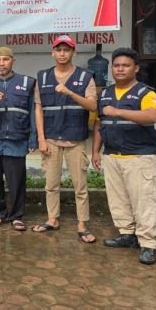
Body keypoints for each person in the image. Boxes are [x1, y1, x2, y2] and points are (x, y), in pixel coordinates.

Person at [91, 47, 156, 265]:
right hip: (113, 156)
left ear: (136, 68)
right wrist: (96, 150)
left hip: (138, 157)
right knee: (118, 200)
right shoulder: (105, 93)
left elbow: (152, 116)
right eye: (117, 65)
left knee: (144, 202)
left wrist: (119, 111)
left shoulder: (145, 93)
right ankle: (127, 234)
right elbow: (99, 123)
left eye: (126, 65)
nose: (120, 69)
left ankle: (148, 244)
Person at [32, 35, 98, 243]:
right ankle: (52, 219)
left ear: (73, 53)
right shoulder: (42, 77)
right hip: (51, 138)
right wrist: (41, 139)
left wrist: (70, 92)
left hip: (75, 139)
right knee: (51, 184)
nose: (62, 54)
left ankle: (82, 224)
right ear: (52, 53)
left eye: (66, 50)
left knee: (80, 186)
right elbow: (39, 109)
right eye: (58, 50)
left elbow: (92, 106)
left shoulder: (86, 77)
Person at [0, 46, 36, 231]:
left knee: (16, 181)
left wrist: (33, 139)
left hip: (17, 140)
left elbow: (33, 112)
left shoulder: (27, 82)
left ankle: (17, 216)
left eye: (5, 59)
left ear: (13, 61)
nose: (1, 64)